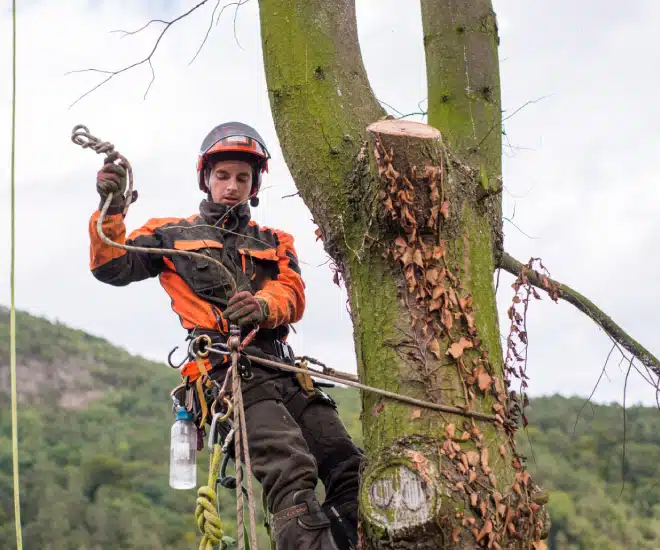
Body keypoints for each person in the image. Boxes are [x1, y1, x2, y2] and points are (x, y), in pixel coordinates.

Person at [88, 122, 362, 549]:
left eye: (242, 178)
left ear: (254, 186)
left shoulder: (275, 241)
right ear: (206, 179)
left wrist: (264, 306)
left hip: (283, 370)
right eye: (222, 176)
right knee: (291, 470)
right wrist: (112, 205)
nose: (231, 186)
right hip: (226, 375)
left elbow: (292, 293)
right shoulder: (172, 234)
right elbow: (112, 265)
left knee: (348, 467)